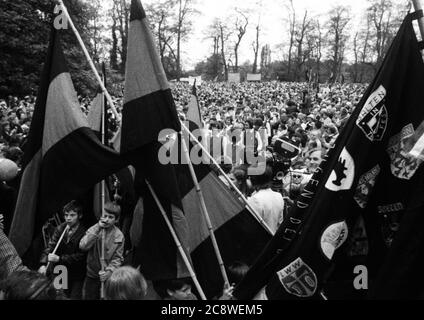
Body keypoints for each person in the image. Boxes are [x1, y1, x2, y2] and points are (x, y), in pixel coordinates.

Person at [38, 200, 87, 299]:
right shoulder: (60, 229)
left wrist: (59, 259)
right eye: (66, 215)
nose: (68, 218)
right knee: (58, 296)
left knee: (74, 297)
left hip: (76, 274)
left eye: (72, 215)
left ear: (79, 216)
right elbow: (50, 247)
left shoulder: (85, 232)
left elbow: (81, 256)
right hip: (61, 271)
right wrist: (44, 263)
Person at [80, 201, 125, 300]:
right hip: (91, 274)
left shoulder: (119, 235)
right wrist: (98, 228)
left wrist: (109, 271)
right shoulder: (94, 229)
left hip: (108, 277)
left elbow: (118, 258)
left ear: (116, 220)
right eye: (105, 216)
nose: (107, 219)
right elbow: (83, 246)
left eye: (111, 217)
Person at [247, 165, 285, 233]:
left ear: (253, 180)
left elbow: (250, 226)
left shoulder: (255, 199)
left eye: (249, 177)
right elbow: (280, 222)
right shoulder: (279, 196)